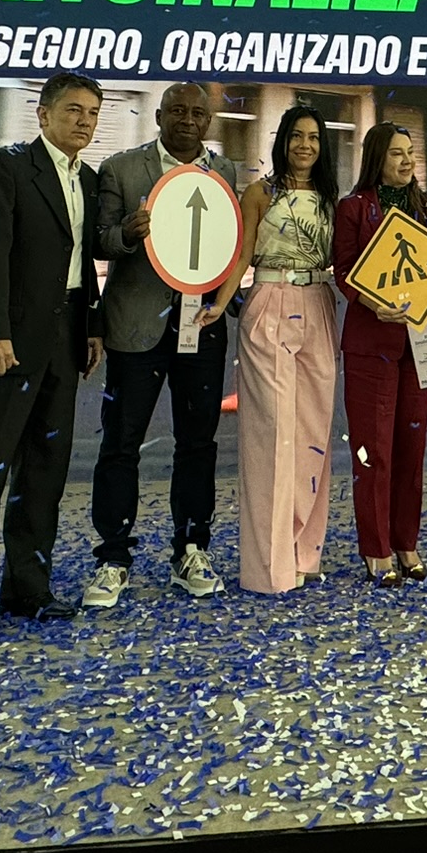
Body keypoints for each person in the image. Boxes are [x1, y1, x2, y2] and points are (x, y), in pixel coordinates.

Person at [0, 72, 106, 643]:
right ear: (43, 113)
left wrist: (92, 328)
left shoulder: (88, 180)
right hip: (5, 344)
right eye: (74, 110)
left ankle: (28, 590)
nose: (84, 121)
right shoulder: (5, 168)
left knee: (43, 472)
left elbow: (81, 264)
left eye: (92, 113)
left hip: (64, 341)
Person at [83, 82, 239, 607]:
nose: (188, 120)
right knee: (121, 443)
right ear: (159, 115)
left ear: (209, 121)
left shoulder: (224, 173)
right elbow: (99, 241)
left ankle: (191, 549)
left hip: (202, 326)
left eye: (198, 112)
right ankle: (112, 558)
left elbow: (229, 246)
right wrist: (127, 234)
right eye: (177, 111)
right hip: (136, 328)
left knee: (198, 442)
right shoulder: (122, 169)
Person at [209, 105, 341, 593]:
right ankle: (269, 566)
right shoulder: (259, 193)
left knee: (313, 432)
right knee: (271, 436)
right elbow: (242, 255)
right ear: (282, 140)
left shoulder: (330, 199)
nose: (305, 145)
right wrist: (219, 304)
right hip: (268, 300)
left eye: (314, 137)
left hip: (319, 303)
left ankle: (304, 552)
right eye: (297, 136)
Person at [332, 123, 427, 587]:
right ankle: (376, 548)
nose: (406, 160)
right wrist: (370, 301)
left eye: (410, 152)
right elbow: (343, 271)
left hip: (419, 341)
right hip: (370, 343)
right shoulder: (354, 208)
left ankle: (406, 542)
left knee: (411, 449)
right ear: (376, 158)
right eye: (396, 153)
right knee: (373, 451)